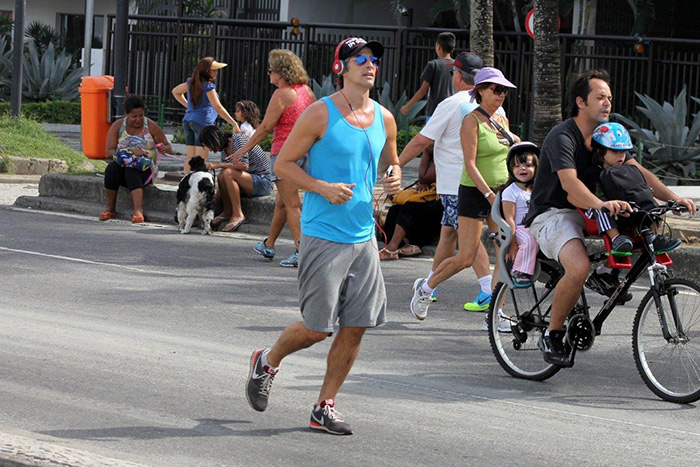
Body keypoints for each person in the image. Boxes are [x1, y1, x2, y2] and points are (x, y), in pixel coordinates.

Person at [245, 37, 401, 435]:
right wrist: (321, 187)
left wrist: (395, 175)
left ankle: (324, 406)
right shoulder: (320, 113)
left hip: (363, 236)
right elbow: (283, 164)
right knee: (317, 328)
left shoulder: (384, 118)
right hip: (323, 233)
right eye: (359, 59)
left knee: (357, 324)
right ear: (341, 69)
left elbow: (392, 161)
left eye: (373, 59)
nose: (369, 65)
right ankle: (267, 359)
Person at [523, 70, 697, 367]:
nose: (607, 103)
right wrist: (602, 204)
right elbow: (570, 184)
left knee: (643, 226)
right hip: (554, 213)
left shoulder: (606, 136)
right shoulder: (562, 136)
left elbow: (638, 171)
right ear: (580, 101)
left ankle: (606, 274)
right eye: (600, 97)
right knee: (577, 268)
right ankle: (552, 335)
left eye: (610, 98)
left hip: (592, 210)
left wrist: (672, 199)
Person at [409, 67, 520, 321]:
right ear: (480, 91)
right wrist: (489, 196)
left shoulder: (501, 121)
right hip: (474, 192)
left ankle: (495, 314)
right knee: (466, 256)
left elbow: (512, 150)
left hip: (500, 192)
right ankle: (425, 288)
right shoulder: (470, 120)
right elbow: (470, 164)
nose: (501, 95)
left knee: (504, 249)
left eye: (504, 90)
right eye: (496, 89)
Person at [230, 49, 315, 268]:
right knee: (282, 203)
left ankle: (300, 250)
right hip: (306, 153)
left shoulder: (282, 94)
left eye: (271, 70)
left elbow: (266, 127)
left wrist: (244, 148)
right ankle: (269, 244)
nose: (269, 75)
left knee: (292, 204)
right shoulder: (307, 91)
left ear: (281, 72)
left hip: (284, 155)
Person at [584, 122, 681, 294]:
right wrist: (606, 204)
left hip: (627, 213)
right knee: (602, 206)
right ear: (600, 151)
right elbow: (591, 199)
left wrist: (672, 201)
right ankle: (616, 239)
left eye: (624, 151)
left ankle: (656, 237)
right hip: (599, 213)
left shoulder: (629, 170)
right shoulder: (594, 173)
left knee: (651, 205)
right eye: (615, 151)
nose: (621, 156)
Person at [99, 95, 172, 224]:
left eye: (140, 116)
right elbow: (108, 152)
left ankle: (138, 210)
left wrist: (162, 148)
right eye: (134, 116)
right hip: (123, 165)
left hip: (145, 169)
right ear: (126, 114)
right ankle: (110, 208)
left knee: (131, 170)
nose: (138, 120)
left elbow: (168, 146)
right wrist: (128, 153)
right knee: (111, 169)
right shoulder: (118, 126)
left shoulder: (151, 126)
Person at [197, 125, 273, 232]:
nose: (210, 150)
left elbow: (244, 165)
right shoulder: (224, 149)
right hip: (247, 180)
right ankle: (227, 211)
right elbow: (224, 176)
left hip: (262, 181)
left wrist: (219, 165)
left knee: (228, 173)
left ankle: (238, 214)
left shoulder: (238, 140)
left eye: (209, 146)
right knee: (222, 175)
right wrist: (213, 201)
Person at [171, 57, 240, 172]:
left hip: (188, 120)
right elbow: (218, 107)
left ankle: (186, 183)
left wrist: (189, 106)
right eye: (214, 70)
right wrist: (233, 123)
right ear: (206, 71)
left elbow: (175, 91)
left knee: (191, 157)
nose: (216, 73)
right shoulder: (208, 87)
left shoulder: (191, 83)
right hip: (203, 123)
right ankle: (197, 186)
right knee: (201, 158)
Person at [378, 145, 442, 260]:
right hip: (429, 198)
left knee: (410, 207)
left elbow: (425, 177)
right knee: (394, 209)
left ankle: (393, 247)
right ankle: (405, 244)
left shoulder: (445, 151)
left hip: (442, 202)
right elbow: (424, 179)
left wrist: (426, 153)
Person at [500, 142, 540, 287]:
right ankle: (519, 271)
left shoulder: (538, 190)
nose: (522, 168)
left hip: (537, 226)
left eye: (528, 165)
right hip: (519, 229)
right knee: (529, 240)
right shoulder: (511, 192)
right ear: (511, 169)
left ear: (536, 167)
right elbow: (509, 219)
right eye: (517, 166)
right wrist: (512, 243)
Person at [401, 32, 456, 120]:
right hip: (453, 111)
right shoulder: (457, 66)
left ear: (438, 47)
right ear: (452, 49)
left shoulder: (433, 65)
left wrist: (408, 106)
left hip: (435, 111)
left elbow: (423, 91)